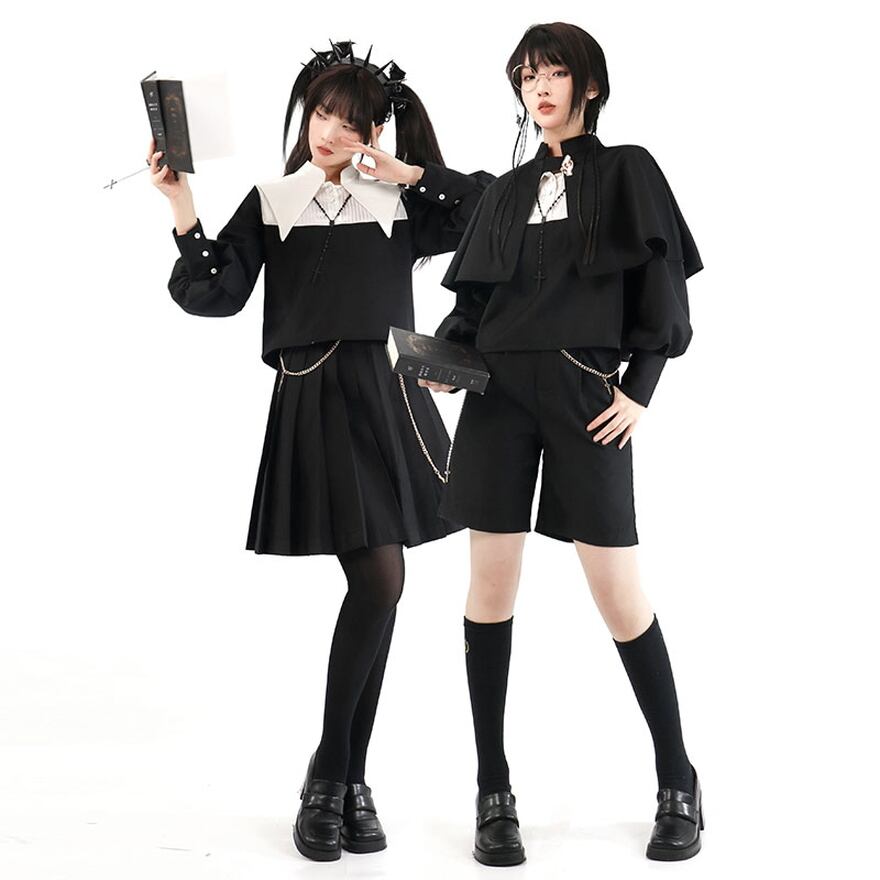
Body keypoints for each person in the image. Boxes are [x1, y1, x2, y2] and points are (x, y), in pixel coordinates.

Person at [149, 39, 493, 862]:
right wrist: (182, 204)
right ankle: (337, 776)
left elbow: (488, 210)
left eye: (348, 121)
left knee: (383, 585)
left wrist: (406, 170)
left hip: (390, 400)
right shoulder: (273, 201)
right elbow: (213, 292)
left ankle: (338, 779)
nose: (329, 132)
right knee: (381, 581)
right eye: (321, 114)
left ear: (373, 131)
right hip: (315, 398)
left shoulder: (398, 202)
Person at [420, 22, 705, 865]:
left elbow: (662, 292)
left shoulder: (628, 171)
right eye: (526, 76)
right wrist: (443, 364)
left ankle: (679, 778)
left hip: (588, 397)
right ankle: (493, 789)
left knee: (618, 591)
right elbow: (473, 308)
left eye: (553, 73)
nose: (538, 88)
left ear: (589, 84)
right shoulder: (507, 191)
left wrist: (639, 390)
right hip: (498, 400)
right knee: (489, 587)